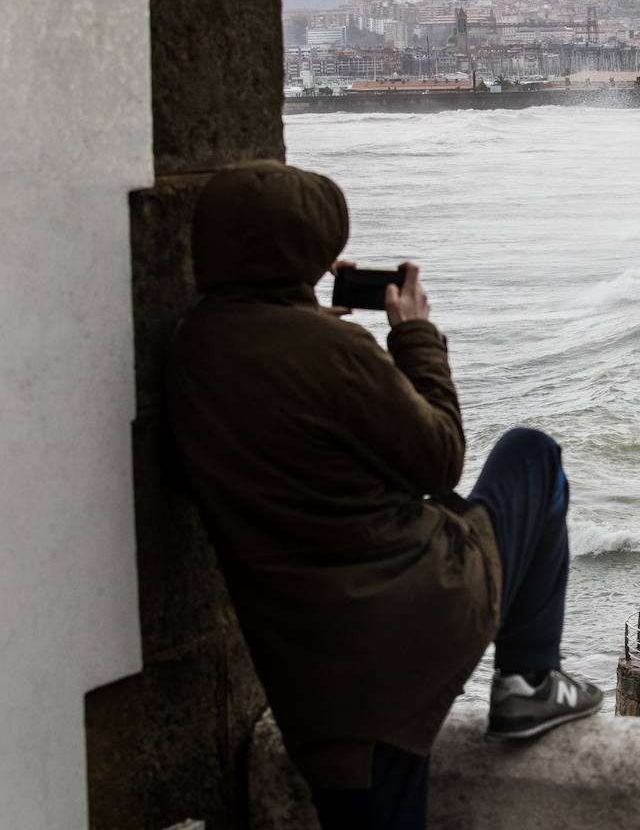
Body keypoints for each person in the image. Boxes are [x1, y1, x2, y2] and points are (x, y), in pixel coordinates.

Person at [167, 160, 602, 829]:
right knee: (532, 455)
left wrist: (298, 316)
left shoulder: (191, 348)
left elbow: (289, 431)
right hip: (412, 619)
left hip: (312, 668)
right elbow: (440, 458)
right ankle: (530, 682)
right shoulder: (334, 351)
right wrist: (413, 335)